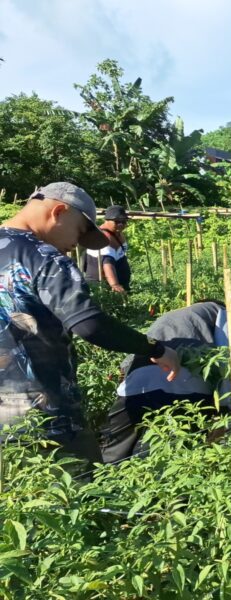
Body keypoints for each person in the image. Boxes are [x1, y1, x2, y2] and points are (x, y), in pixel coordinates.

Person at [0, 182, 180, 464]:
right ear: (58, 211)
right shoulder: (45, 258)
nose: (76, 245)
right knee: (86, 500)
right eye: (80, 231)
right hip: (43, 414)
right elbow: (90, 325)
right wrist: (155, 349)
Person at [99, 300, 231, 463]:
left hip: (137, 381)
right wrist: (225, 409)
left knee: (113, 453)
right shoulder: (223, 311)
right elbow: (228, 359)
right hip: (188, 383)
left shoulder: (171, 316)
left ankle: (99, 486)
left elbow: (131, 358)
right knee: (191, 454)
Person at [83, 205, 131, 293]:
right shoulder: (102, 237)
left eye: (123, 221)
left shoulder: (117, 233)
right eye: (117, 221)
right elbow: (107, 263)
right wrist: (115, 285)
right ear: (106, 220)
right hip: (102, 288)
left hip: (119, 286)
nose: (121, 224)